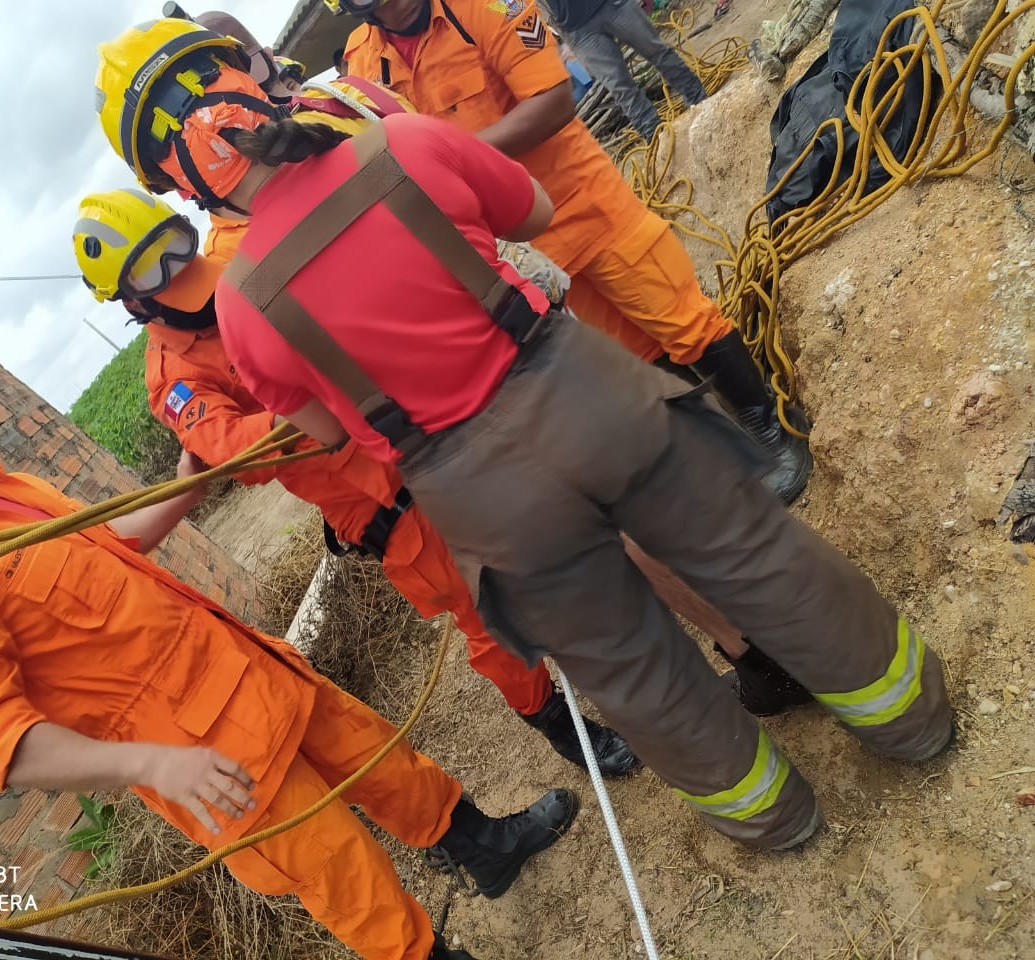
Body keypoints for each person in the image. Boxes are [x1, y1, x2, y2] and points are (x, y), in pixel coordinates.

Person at [90, 19, 955, 851]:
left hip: (479, 498)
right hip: (583, 391)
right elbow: (534, 210)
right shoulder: (403, 144)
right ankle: (912, 721)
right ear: (250, 82)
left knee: (631, 669)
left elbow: (322, 429)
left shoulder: (242, 310)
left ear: (176, 185)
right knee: (753, 553)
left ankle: (774, 820)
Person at [103, 14, 814, 718]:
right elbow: (485, 193)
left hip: (458, 426)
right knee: (654, 498)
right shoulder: (347, 97)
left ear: (176, 179)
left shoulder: (245, 236)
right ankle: (783, 637)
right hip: (531, 333)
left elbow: (317, 408)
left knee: (613, 555)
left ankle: (750, 655)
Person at [0, 347, 579, 960]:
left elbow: (109, 548)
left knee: (389, 765)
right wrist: (156, 768)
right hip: (210, 758)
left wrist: (186, 489)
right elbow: (10, 748)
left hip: (249, 670)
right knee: (347, 875)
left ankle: (487, 848)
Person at [73, 186, 640, 776]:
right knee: (489, 612)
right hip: (384, 505)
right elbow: (240, 452)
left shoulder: (242, 271)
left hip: (429, 430)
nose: (195, 287)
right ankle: (560, 723)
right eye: (161, 278)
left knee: (552, 534)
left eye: (180, 255)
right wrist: (321, 395)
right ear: (134, 306)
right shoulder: (176, 379)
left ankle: (630, 660)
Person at [323, 0, 812, 504]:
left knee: (680, 320)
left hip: (582, 203)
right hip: (520, 244)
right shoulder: (365, 63)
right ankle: (726, 441)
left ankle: (769, 422)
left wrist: (451, 163)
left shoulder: (487, 7)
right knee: (636, 354)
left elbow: (554, 99)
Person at [540, 0, 708, 140]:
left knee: (658, 52)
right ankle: (660, 141)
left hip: (613, 4)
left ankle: (702, 106)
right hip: (577, 30)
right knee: (622, 89)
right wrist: (559, 39)